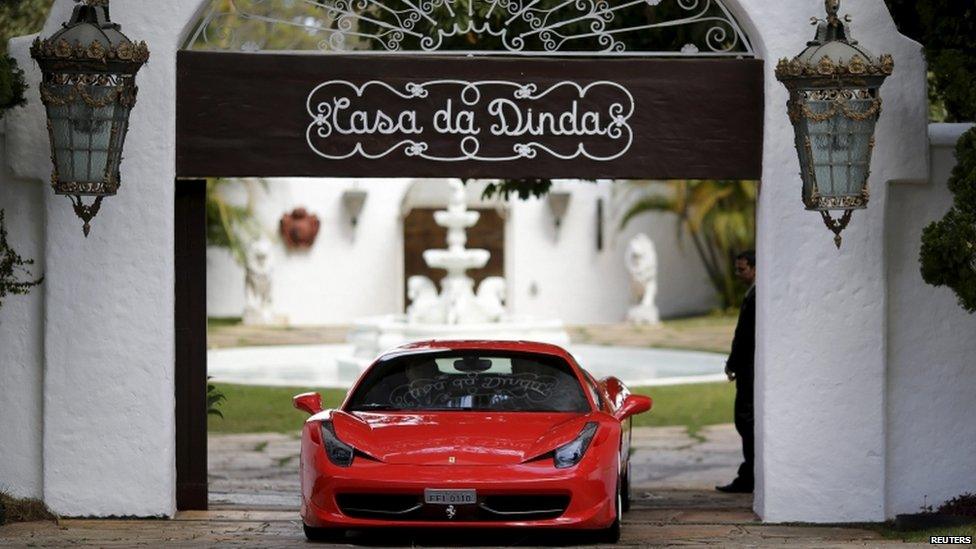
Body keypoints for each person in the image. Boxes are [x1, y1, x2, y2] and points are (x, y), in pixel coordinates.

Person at [716, 250, 756, 494]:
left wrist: (733, 363)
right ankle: (749, 473)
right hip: (745, 367)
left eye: (742, 269)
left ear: (754, 268)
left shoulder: (757, 295)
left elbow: (745, 336)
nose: (738, 274)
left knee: (746, 419)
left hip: (748, 368)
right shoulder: (752, 294)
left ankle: (749, 475)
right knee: (744, 420)